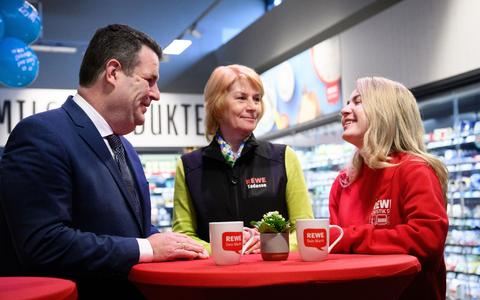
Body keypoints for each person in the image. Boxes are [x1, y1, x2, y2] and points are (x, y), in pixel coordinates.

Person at [0, 24, 208, 299]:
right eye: (150, 79)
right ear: (113, 73)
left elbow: (138, 230)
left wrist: (180, 245)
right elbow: (44, 243)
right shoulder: (41, 134)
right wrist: (148, 249)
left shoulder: (125, 148)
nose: (157, 94)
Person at [172, 64, 314, 254]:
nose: (253, 107)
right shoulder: (189, 166)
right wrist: (226, 249)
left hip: (273, 276)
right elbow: (184, 236)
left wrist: (273, 243)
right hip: (216, 278)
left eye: (257, 99)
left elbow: (306, 231)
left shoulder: (283, 158)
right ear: (217, 104)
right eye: (241, 98)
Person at [329, 76, 449, 300]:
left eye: (357, 101)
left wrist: (347, 238)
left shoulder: (414, 170)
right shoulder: (343, 182)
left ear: (385, 111)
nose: (344, 110)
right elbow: (338, 251)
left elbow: (427, 242)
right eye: (346, 103)